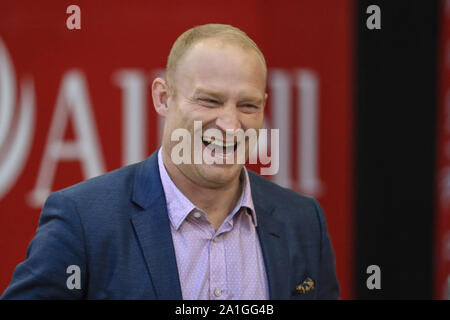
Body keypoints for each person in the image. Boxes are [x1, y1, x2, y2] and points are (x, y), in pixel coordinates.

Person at [1, 24, 339, 300]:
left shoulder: (303, 222)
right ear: (163, 97)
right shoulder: (85, 219)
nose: (231, 124)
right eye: (209, 101)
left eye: (248, 106)